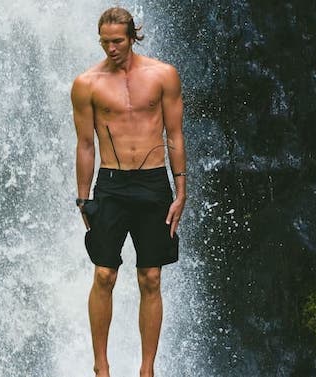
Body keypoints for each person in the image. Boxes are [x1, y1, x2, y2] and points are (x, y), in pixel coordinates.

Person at [71, 7, 187, 377]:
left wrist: (180, 191)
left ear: (133, 36)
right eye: (104, 42)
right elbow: (85, 145)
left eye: (117, 41)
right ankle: (101, 367)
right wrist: (82, 197)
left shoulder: (163, 75)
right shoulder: (87, 83)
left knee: (150, 277)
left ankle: (147, 370)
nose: (111, 48)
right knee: (104, 275)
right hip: (112, 184)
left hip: (153, 183)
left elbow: (175, 135)